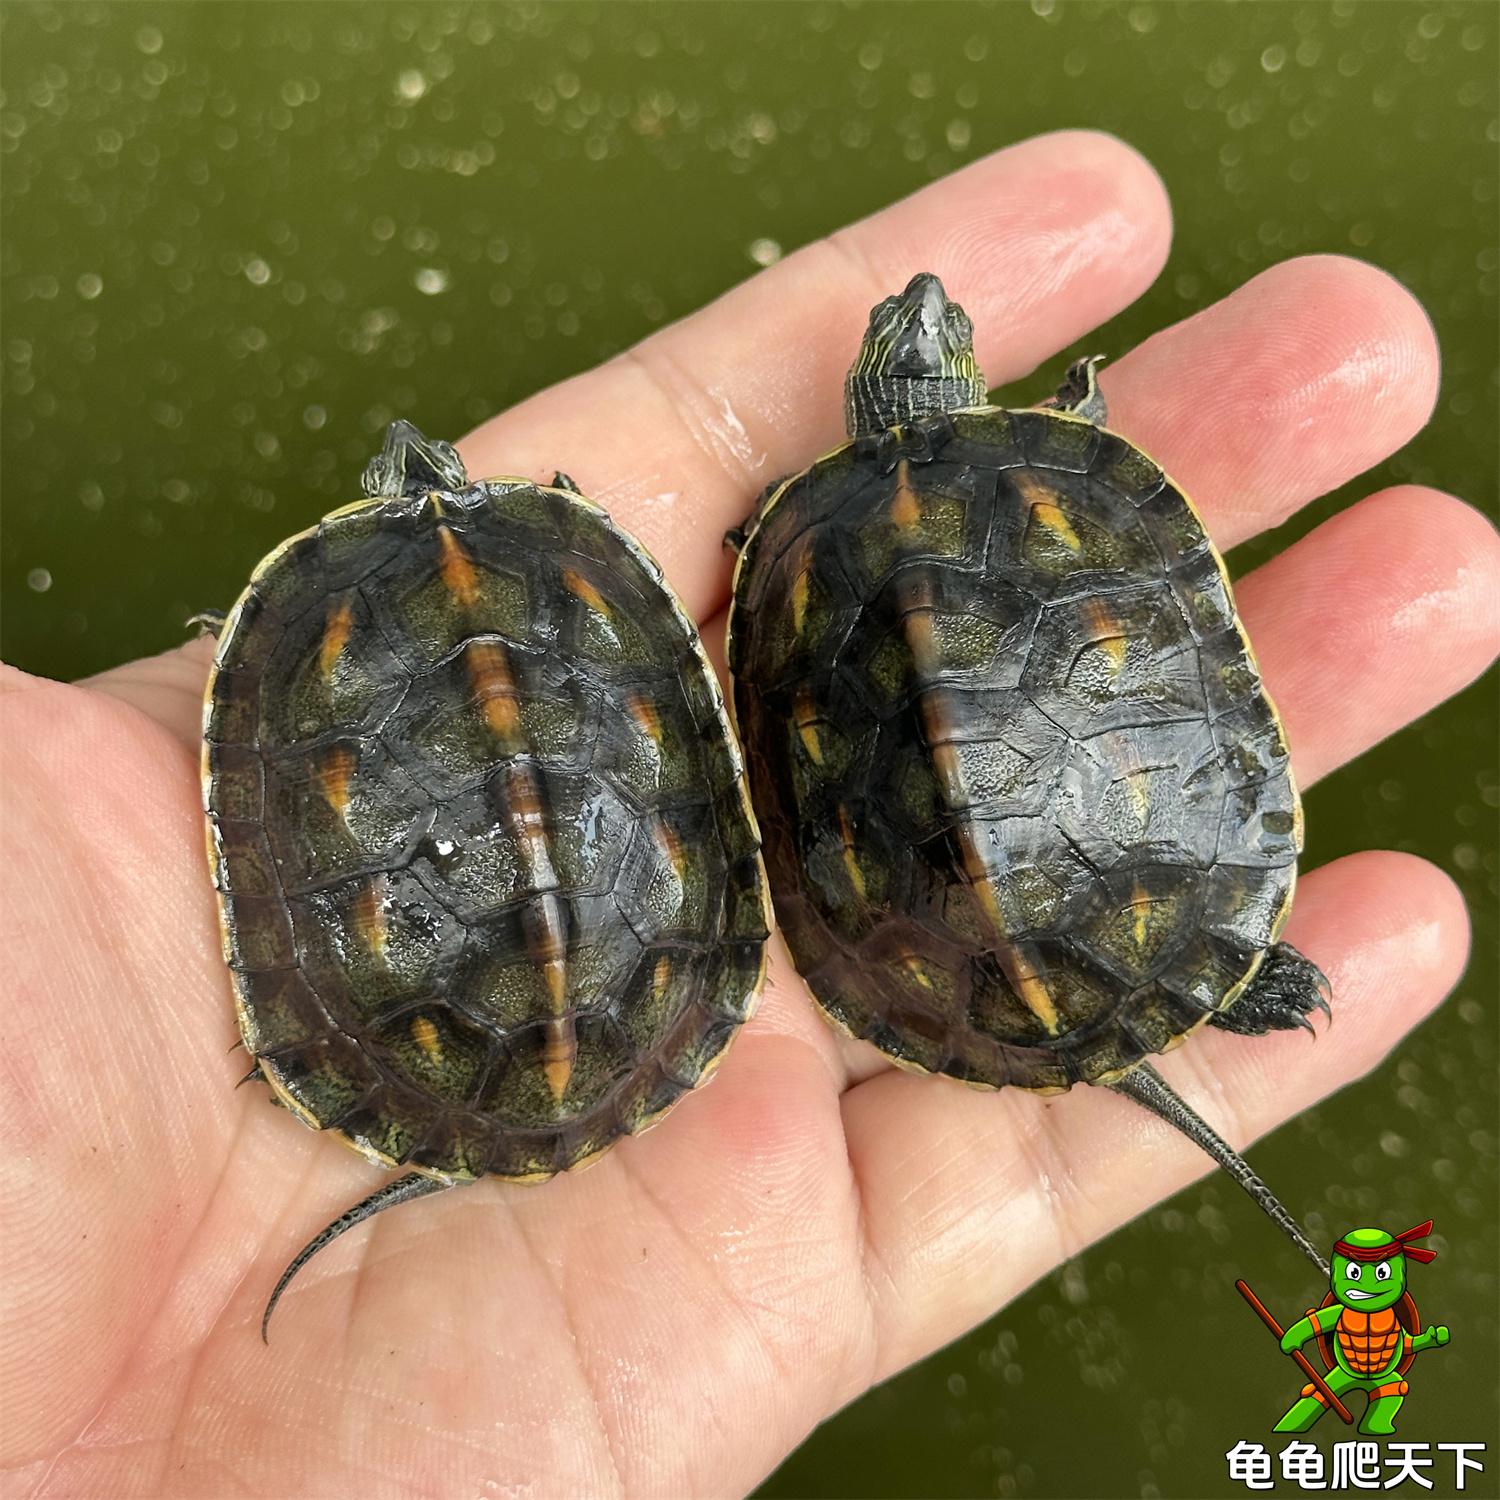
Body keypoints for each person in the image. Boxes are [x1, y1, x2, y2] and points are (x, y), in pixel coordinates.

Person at [3, 131, 1495, 1498]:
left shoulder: (777, 528)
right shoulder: (983, 488)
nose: (924, 317)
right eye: (929, 341)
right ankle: (1222, 969)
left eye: (919, 338)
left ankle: (1216, 974)